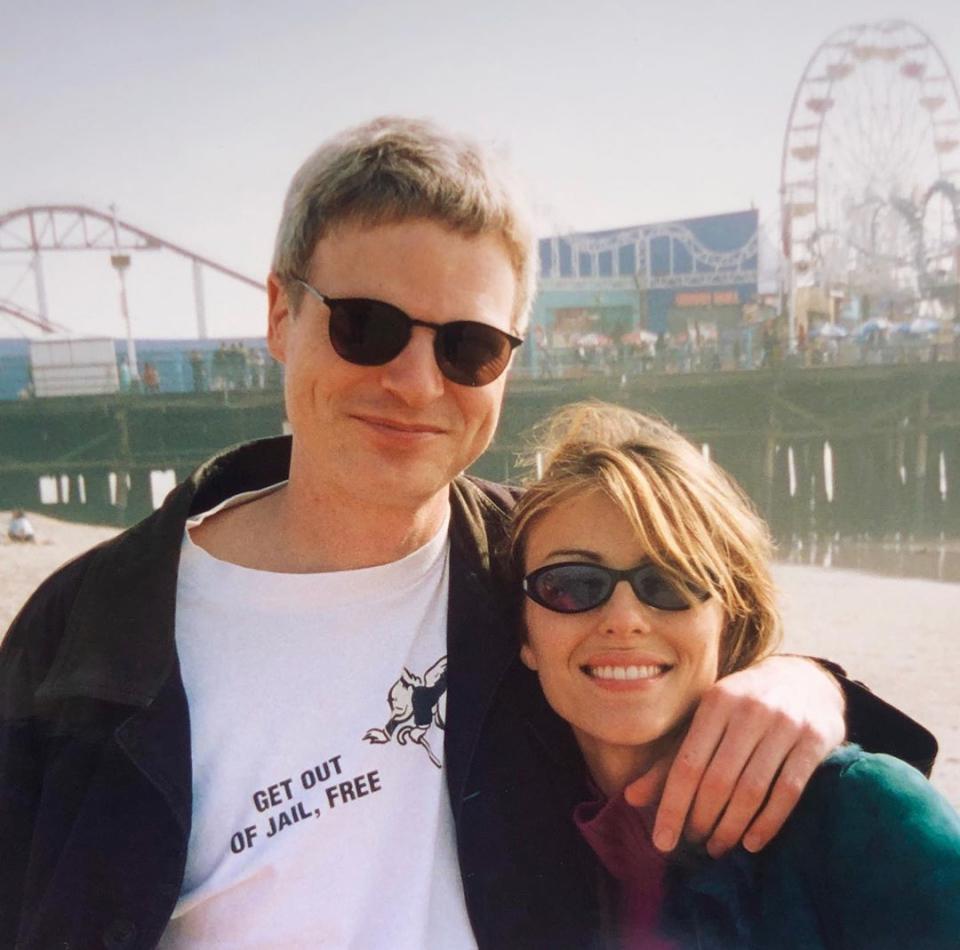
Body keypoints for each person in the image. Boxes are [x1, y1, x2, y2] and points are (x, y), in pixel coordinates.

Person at [0, 117, 937, 950]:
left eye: (468, 346)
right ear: (281, 314)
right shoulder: (86, 632)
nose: (414, 382)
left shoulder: (530, 574)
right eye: (366, 326)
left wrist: (814, 685)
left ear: (508, 363)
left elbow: (669, 655)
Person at [511, 401, 960, 947]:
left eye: (671, 579)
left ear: (732, 616)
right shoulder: (502, 827)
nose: (623, 621)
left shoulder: (864, 814)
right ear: (525, 633)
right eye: (571, 584)